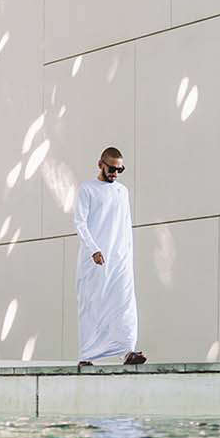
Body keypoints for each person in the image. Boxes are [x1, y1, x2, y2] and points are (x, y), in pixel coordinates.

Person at [74, 146, 145, 366]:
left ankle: (127, 351)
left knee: (124, 303)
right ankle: (87, 356)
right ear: (100, 164)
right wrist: (93, 249)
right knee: (92, 305)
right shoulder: (87, 189)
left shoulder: (122, 192)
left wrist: (127, 256)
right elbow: (80, 222)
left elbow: (125, 225)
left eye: (119, 169)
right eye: (111, 169)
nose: (115, 173)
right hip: (94, 259)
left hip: (120, 258)